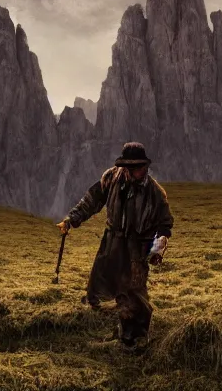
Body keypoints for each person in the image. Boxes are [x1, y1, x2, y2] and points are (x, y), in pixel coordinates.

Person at [57, 142, 173, 353]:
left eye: (139, 167)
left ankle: (135, 338)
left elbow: (164, 226)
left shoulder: (154, 193)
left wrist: (156, 250)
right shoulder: (111, 179)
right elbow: (91, 201)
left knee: (134, 292)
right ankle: (99, 325)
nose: (136, 171)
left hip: (137, 247)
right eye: (131, 167)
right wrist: (71, 220)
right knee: (98, 284)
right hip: (111, 242)